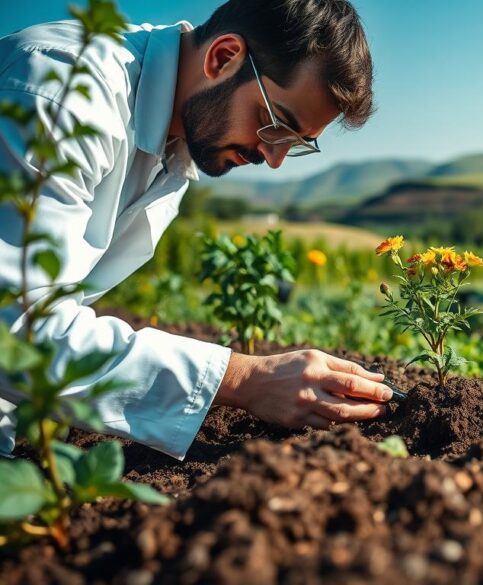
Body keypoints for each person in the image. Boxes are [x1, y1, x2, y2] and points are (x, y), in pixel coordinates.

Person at [0, 0, 391, 461]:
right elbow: (18, 330)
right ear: (222, 58)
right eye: (275, 125)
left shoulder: (179, 142)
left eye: (295, 143)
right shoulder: (62, 94)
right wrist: (245, 379)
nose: (274, 158)